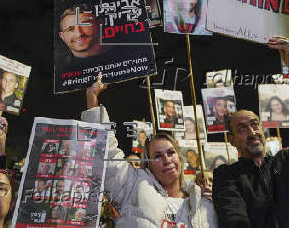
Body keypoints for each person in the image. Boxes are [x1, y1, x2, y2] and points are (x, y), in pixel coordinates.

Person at [213, 36, 289, 227]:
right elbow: (234, 219)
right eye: (242, 128)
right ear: (232, 140)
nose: (252, 132)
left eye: (255, 124)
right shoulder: (227, 176)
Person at [81, 74, 217, 227]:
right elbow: (106, 154)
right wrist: (92, 97)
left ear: (180, 158)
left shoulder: (204, 200)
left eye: (171, 153)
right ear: (148, 166)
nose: (167, 160)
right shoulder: (134, 188)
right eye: (157, 156)